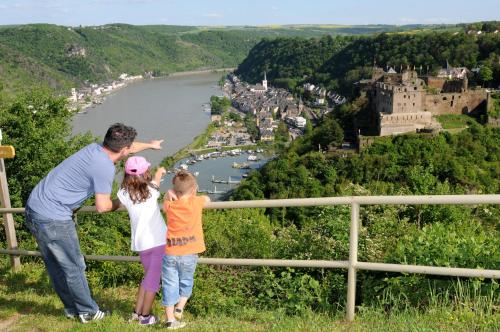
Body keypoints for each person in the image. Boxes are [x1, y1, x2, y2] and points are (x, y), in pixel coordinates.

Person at [24, 123, 163, 323]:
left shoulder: (95, 148)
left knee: (56, 266)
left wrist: (150, 145)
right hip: (53, 216)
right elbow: (103, 206)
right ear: (123, 150)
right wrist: (128, 201)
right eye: (129, 148)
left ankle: (73, 309)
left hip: (36, 207)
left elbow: (129, 147)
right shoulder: (104, 167)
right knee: (73, 266)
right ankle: (89, 312)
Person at [117, 156, 167, 326]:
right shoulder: (151, 190)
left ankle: (136, 313)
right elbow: (156, 181)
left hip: (141, 244)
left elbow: (129, 194)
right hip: (159, 241)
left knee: (148, 278)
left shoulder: (123, 193)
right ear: (146, 172)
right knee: (153, 281)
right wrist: (160, 172)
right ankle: (145, 317)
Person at [162, 170, 210, 330]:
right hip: (189, 253)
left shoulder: (170, 205)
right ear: (194, 190)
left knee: (169, 284)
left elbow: (164, 201)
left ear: (174, 191)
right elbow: (208, 199)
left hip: (170, 253)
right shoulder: (196, 202)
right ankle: (180, 306)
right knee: (186, 281)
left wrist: (169, 193)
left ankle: (170, 320)